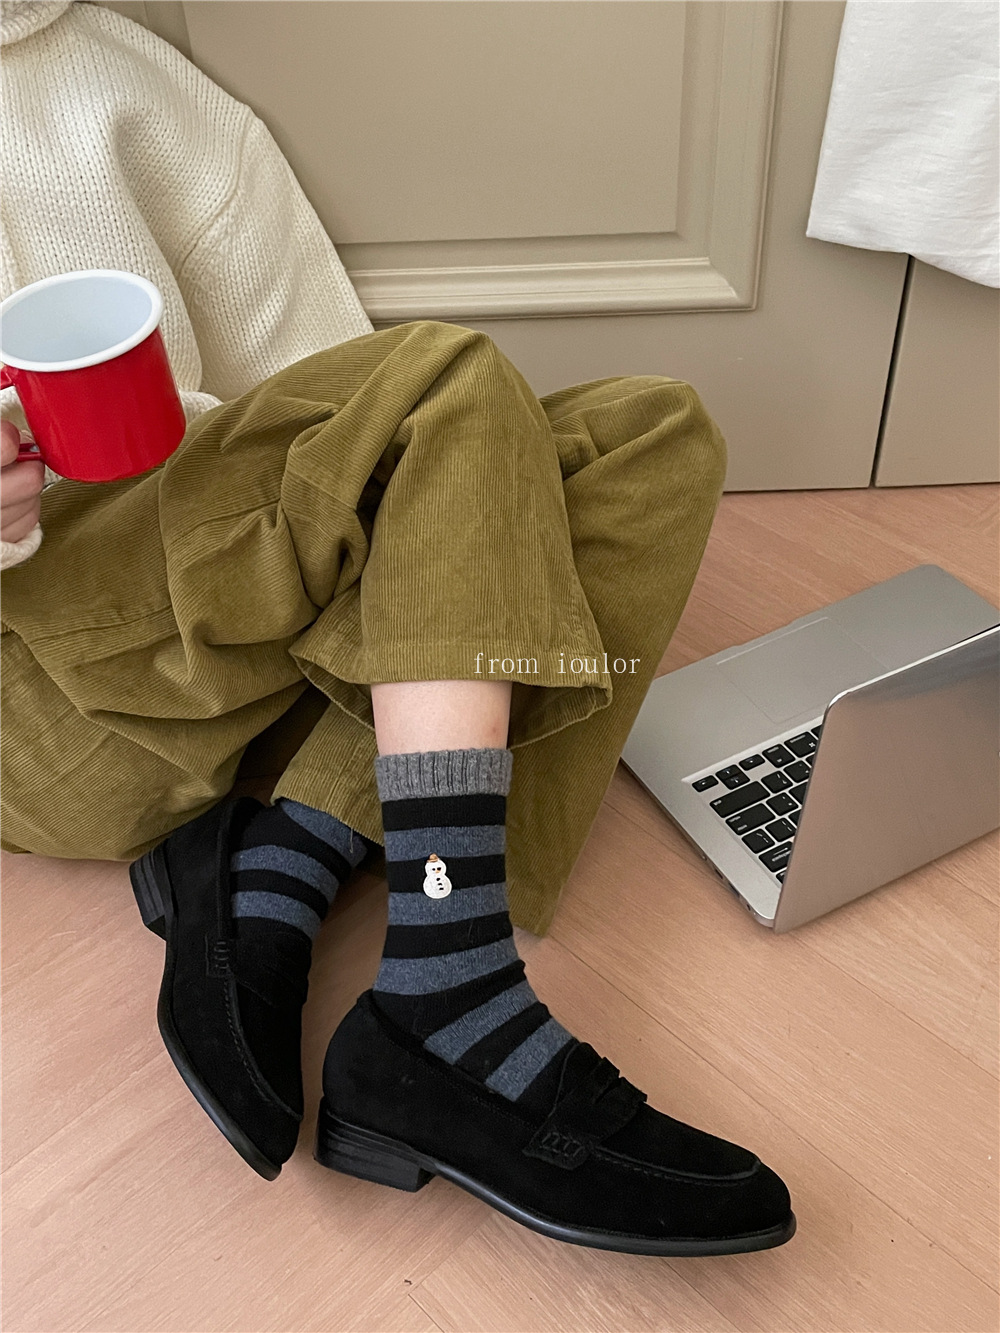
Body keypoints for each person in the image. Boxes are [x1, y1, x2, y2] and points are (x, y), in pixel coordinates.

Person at [0, 0, 795, 1255]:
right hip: (44, 702)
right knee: (446, 376)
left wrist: (410, 521)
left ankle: (286, 854)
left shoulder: (113, 75)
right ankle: (451, 992)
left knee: (649, 437)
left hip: (219, 606)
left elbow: (318, 373)